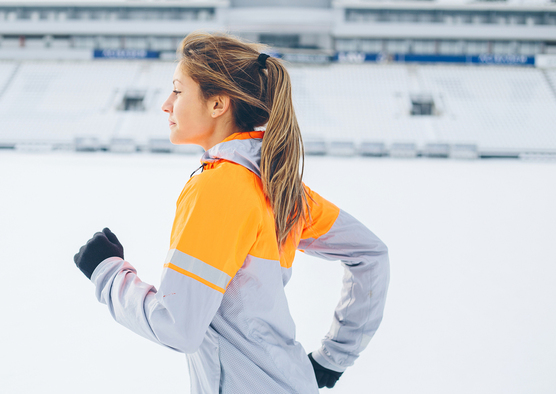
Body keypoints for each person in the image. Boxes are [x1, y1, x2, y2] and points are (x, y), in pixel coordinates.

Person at [74, 32, 390, 393]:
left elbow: (178, 327)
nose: (166, 104)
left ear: (217, 104)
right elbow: (371, 254)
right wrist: (332, 360)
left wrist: (108, 273)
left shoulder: (219, 188)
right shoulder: (279, 185)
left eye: (177, 91)